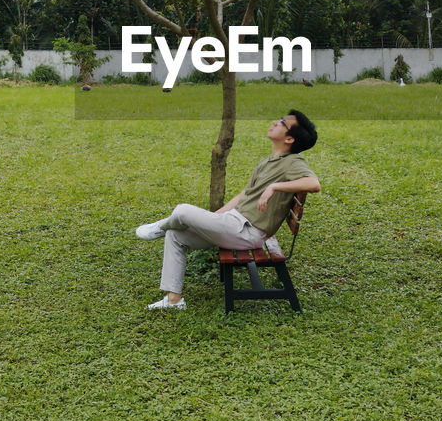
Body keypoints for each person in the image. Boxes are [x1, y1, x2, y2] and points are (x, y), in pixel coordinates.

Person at [137, 111, 321, 310]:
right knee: (176, 235)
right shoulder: (270, 160)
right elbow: (243, 195)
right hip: (234, 223)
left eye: (282, 123)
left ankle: (159, 227)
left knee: (181, 211)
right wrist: (215, 218)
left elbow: (314, 183)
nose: (275, 122)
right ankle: (174, 300)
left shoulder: (293, 162)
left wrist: (274, 187)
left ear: (289, 138)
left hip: (247, 232)